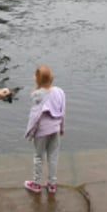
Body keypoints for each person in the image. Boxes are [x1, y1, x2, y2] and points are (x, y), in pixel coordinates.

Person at [24, 64, 66, 194]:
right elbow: (63, 111)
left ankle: (36, 184)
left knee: (38, 157)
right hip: (55, 129)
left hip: (42, 131)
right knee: (53, 156)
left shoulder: (36, 95)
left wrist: (30, 132)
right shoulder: (59, 91)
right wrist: (62, 127)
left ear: (37, 79)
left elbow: (35, 116)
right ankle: (52, 184)